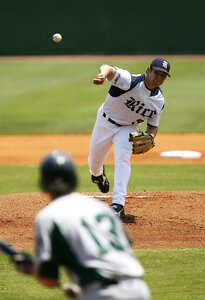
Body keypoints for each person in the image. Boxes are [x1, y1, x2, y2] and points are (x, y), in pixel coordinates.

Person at [12, 150, 151, 300]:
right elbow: (125, 245)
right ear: (73, 179)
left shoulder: (48, 216)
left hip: (102, 294)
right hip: (139, 290)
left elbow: (49, 279)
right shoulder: (102, 208)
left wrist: (31, 268)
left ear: (44, 183)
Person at [88, 58, 170, 219]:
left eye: (163, 76)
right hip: (105, 121)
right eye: (157, 73)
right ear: (148, 70)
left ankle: (118, 205)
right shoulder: (130, 81)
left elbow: (153, 126)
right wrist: (103, 75)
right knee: (94, 163)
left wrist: (151, 138)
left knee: (122, 159)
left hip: (128, 128)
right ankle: (97, 175)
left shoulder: (159, 102)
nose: (159, 77)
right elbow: (108, 67)